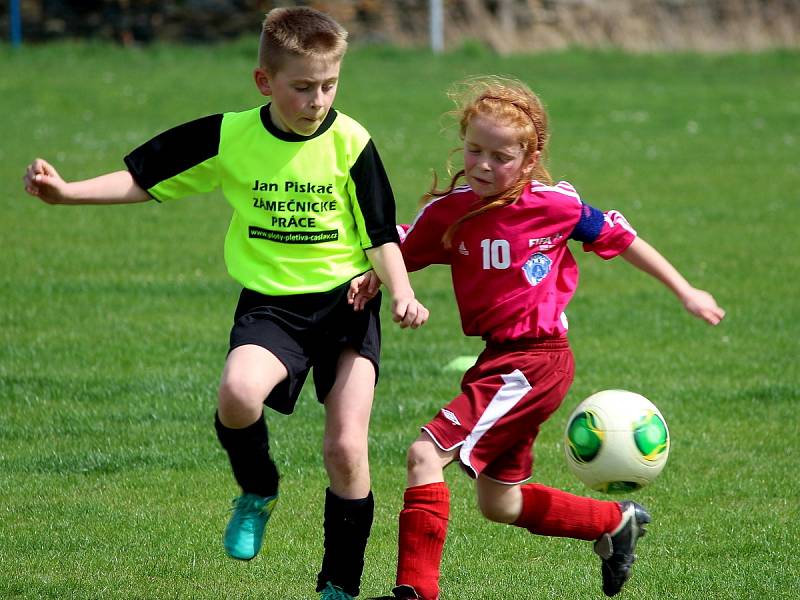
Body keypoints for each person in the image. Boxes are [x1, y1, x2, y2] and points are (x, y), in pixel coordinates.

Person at [22, 7, 428, 600]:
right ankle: (258, 488)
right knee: (237, 395)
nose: (317, 100)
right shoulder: (230, 135)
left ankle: (338, 587)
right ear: (264, 81)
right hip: (272, 307)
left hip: (347, 306)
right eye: (302, 87)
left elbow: (381, 231)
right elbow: (146, 176)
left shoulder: (351, 141)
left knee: (345, 446)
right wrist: (66, 194)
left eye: (329, 85)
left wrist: (402, 291)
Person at [360, 76, 725, 599]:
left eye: (500, 156)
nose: (483, 165)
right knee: (499, 503)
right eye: (474, 150)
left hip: (537, 360)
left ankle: (416, 592)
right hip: (500, 359)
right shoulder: (450, 212)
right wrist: (375, 277)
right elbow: (398, 249)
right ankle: (613, 522)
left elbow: (625, 240)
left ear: (528, 162)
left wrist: (685, 290)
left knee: (424, 454)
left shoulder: (555, 206)